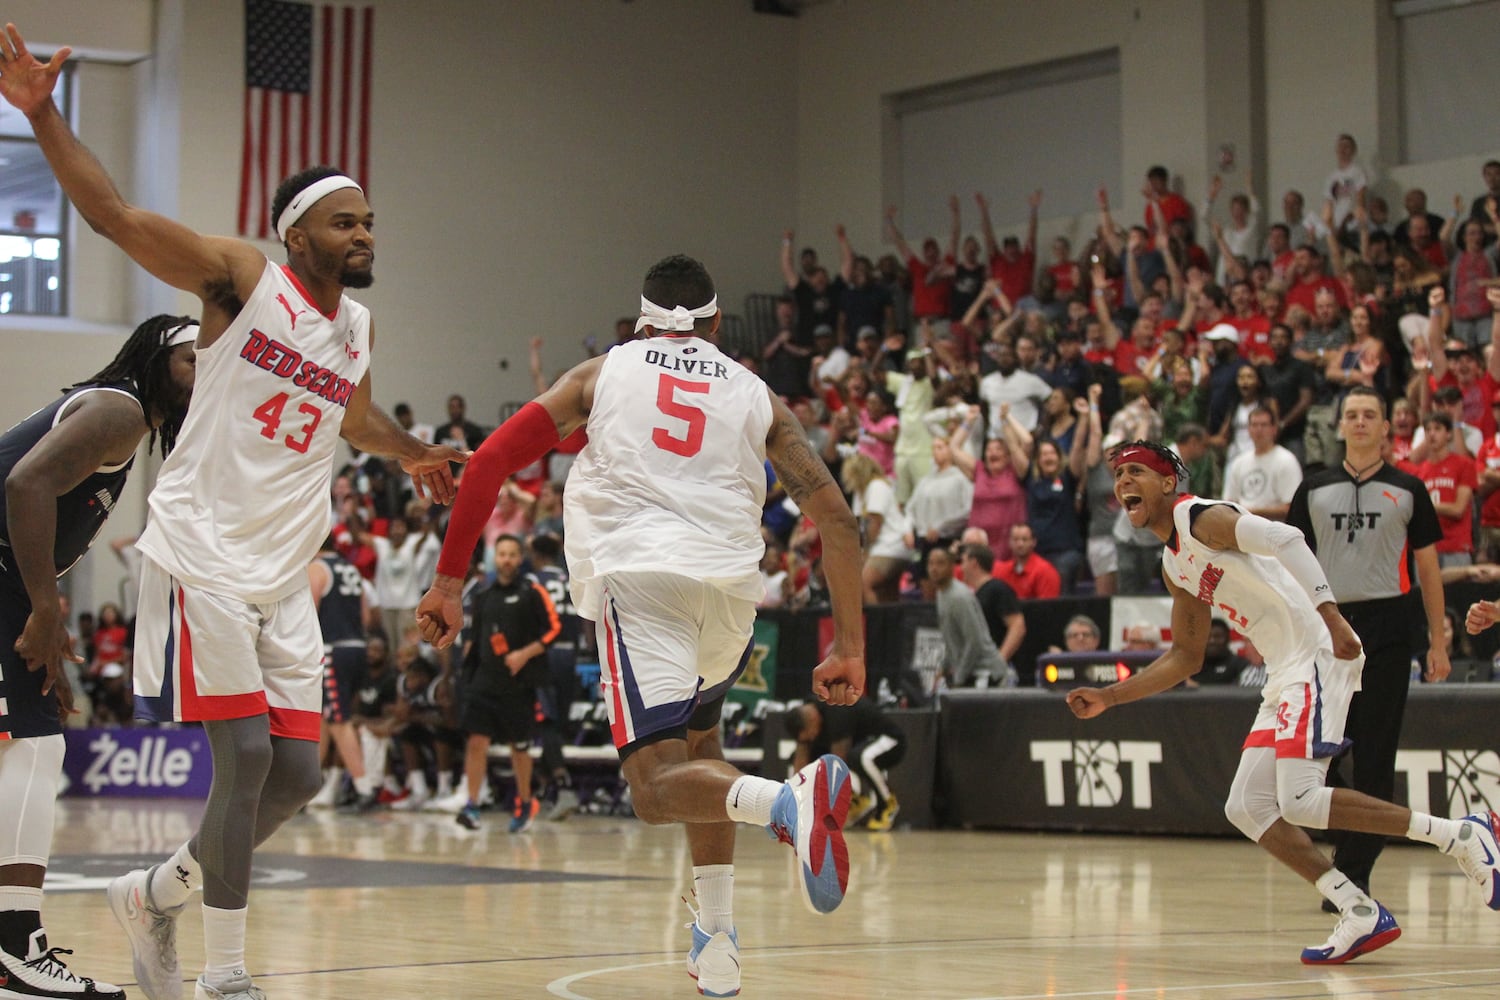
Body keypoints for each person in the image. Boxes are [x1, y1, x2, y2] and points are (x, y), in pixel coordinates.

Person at [0, 27, 471, 1000]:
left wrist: (414, 450)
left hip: (278, 567)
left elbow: (354, 417)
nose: (365, 234)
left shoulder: (355, 326)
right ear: (297, 234)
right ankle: (225, 970)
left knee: (299, 777)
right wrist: (43, 114)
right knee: (248, 758)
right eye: (345, 223)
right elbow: (116, 215)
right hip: (202, 552)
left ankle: (155, 893)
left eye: (370, 220)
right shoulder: (242, 279)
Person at [415, 255, 867, 998]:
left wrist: (449, 581)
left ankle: (788, 802)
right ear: (718, 326)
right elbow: (838, 523)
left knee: (654, 789)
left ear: (644, 322)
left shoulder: (603, 372)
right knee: (702, 750)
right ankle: (716, 936)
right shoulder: (756, 393)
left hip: (643, 577)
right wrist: (849, 647)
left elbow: (492, 458)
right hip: (729, 591)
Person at [1068, 439, 1500, 965]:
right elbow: (1185, 657)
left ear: (1167, 482)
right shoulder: (1173, 564)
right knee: (1247, 806)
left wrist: (1334, 618)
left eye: (1137, 471)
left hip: (1317, 650)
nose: (1124, 483)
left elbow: (1287, 536)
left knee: (1298, 798)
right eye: (1119, 476)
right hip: (1284, 670)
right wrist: (1111, 697)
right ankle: (1357, 908)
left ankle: (1463, 835)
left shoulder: (1199, 516)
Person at [0, 313, 195, 998]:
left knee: (27, 747)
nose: (203, 373)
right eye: (189, 359)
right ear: (152, 359)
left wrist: (40, 607)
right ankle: (13, 947)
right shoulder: (120, 409)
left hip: (12, 587)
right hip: (4, 581)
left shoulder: (125, 420)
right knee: (31, 748)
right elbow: (24, 486)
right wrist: (45, 607)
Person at [1289, 388, 1451, 909]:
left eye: (1370, 416)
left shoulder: (1408, 489)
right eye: (1351, 416)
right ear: (1339, 426)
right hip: (1328, 631)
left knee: (1377, 763)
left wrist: (1438, 641)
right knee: (1320, 759)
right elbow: (1291, 569)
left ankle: (1351, 877)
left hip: (1388, 629)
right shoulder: (1313, 489)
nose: (1360, 423)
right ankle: (1348, 859)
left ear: (1387, 428)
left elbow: (1427, 569)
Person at [451, 534, 560, 832]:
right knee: (476, 742)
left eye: (512, 554)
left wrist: (524, 655)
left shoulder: (532, 591)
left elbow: (554, 629)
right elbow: (474, 639)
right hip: (485, 682)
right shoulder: (483, 596)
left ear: (520, 557)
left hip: (519, 684)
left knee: (519, 747)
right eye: (502, 554)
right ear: (494, 558)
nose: (507, 559)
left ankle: (525, 801)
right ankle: (471, 805)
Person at [307, 535, 380, 812]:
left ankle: (364, 787)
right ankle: (308, 787)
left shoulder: (317, 568)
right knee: (325, 719)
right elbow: (366, 617)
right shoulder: (351, 569)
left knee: (338, 720)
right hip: (357, 646)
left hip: (333, 649)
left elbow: (308, 613)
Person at [783, 698, 906, 832]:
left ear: (813, 718)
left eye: (811, 733)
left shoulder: (837, 712)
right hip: (860, 745)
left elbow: (838, 763)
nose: (812, 738)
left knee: (859, 757)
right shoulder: (810, 715)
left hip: (891, 741)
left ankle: (887, 803)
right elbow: (801, 757)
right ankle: (857, 800)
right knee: (814, 755)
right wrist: (796, 803)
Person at [927, 546, 1014, 689]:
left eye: (940, 563)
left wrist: (959, 678)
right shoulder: (941, 594)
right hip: (969, 673)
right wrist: (943, 668)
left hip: (986, 672)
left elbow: (974, 641)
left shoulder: (959, 597)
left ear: (952, 567)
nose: (934, 568)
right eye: (930, 563)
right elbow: (951, 639)